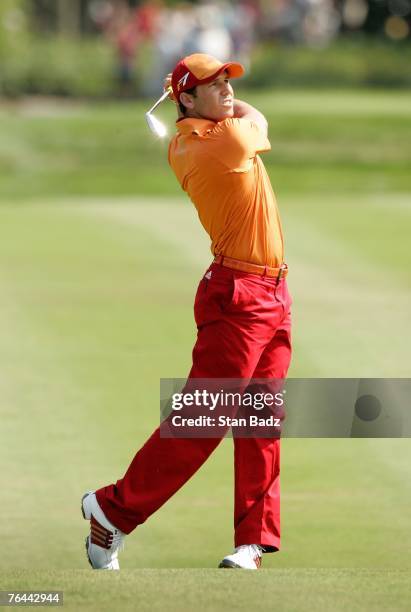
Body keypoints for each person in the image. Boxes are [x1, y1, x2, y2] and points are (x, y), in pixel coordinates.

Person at [81, 53, 292, 571]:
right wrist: (231, 108)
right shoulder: (221, 141)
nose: (224, 90)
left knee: (261, 419)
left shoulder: (191, 137)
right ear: (185, 100)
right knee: (202, 420)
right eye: (210, 85)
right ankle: (112, 510)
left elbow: (244, 112)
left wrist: (212, 100)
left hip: (273, 292)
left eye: (226, 81)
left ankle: (252, 544)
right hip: (239, 296)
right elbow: (257, 120)